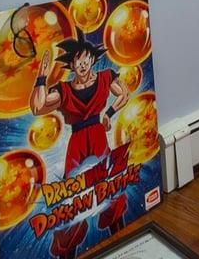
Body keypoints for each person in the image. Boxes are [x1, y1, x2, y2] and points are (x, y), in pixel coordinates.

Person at [29, 30, 128, 175]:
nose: (83, 64)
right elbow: (38, 107)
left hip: (98, 134)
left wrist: (108, 113)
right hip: (77, 142)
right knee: (73, 181)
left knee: (106, 175)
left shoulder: (105, 77)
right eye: (78, 61)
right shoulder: (64, 90)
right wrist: (41, 78)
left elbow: (124, 94)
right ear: (72, 65)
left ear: (92, 59)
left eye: (86, 59)